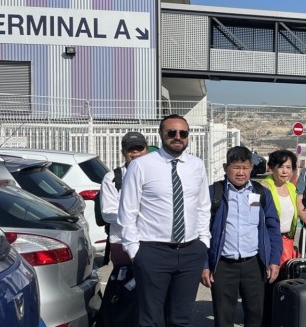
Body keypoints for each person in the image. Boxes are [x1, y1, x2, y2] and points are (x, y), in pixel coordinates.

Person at [118, 114, 211, 327]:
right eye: (172, 133)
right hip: (152, 251)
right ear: (161, 134)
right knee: (150, 319)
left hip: (190, 251)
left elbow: (203, 206)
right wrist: (135, 251)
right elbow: (128, 211)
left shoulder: (196, 166)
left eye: (183, 133)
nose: (177, 137)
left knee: (182, 318)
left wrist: (203, 242)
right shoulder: (141, 166)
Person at [202, 146, 282, 327]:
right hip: (223, 265)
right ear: (225, 167)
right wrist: (205, 265)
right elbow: (201, 231)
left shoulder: (260, 193)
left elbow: (272, 229)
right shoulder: (213, 193)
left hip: (253, 264)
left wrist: (273, 260)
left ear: (252, 168)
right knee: (223, 317)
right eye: (236, 167)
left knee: (256, 314)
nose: (241, 172)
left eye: (245, 167)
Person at [101, 132, 149, 266]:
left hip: (151, 242)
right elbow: (108, 213)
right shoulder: (111, 178)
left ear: (147, 149)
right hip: (121, 242)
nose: (136, 153)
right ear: (123, 152)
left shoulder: (157, 175)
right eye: (130, 149)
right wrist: (141, 216)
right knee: (125, 285)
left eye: (140, 148)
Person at [259, 150, 301, 262]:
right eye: (281, 167)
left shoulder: (292, 188)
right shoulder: (264, 187)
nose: (285, 171)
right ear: (272, 168)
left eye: (288, 167)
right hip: (269, 241)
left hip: (288, 241)